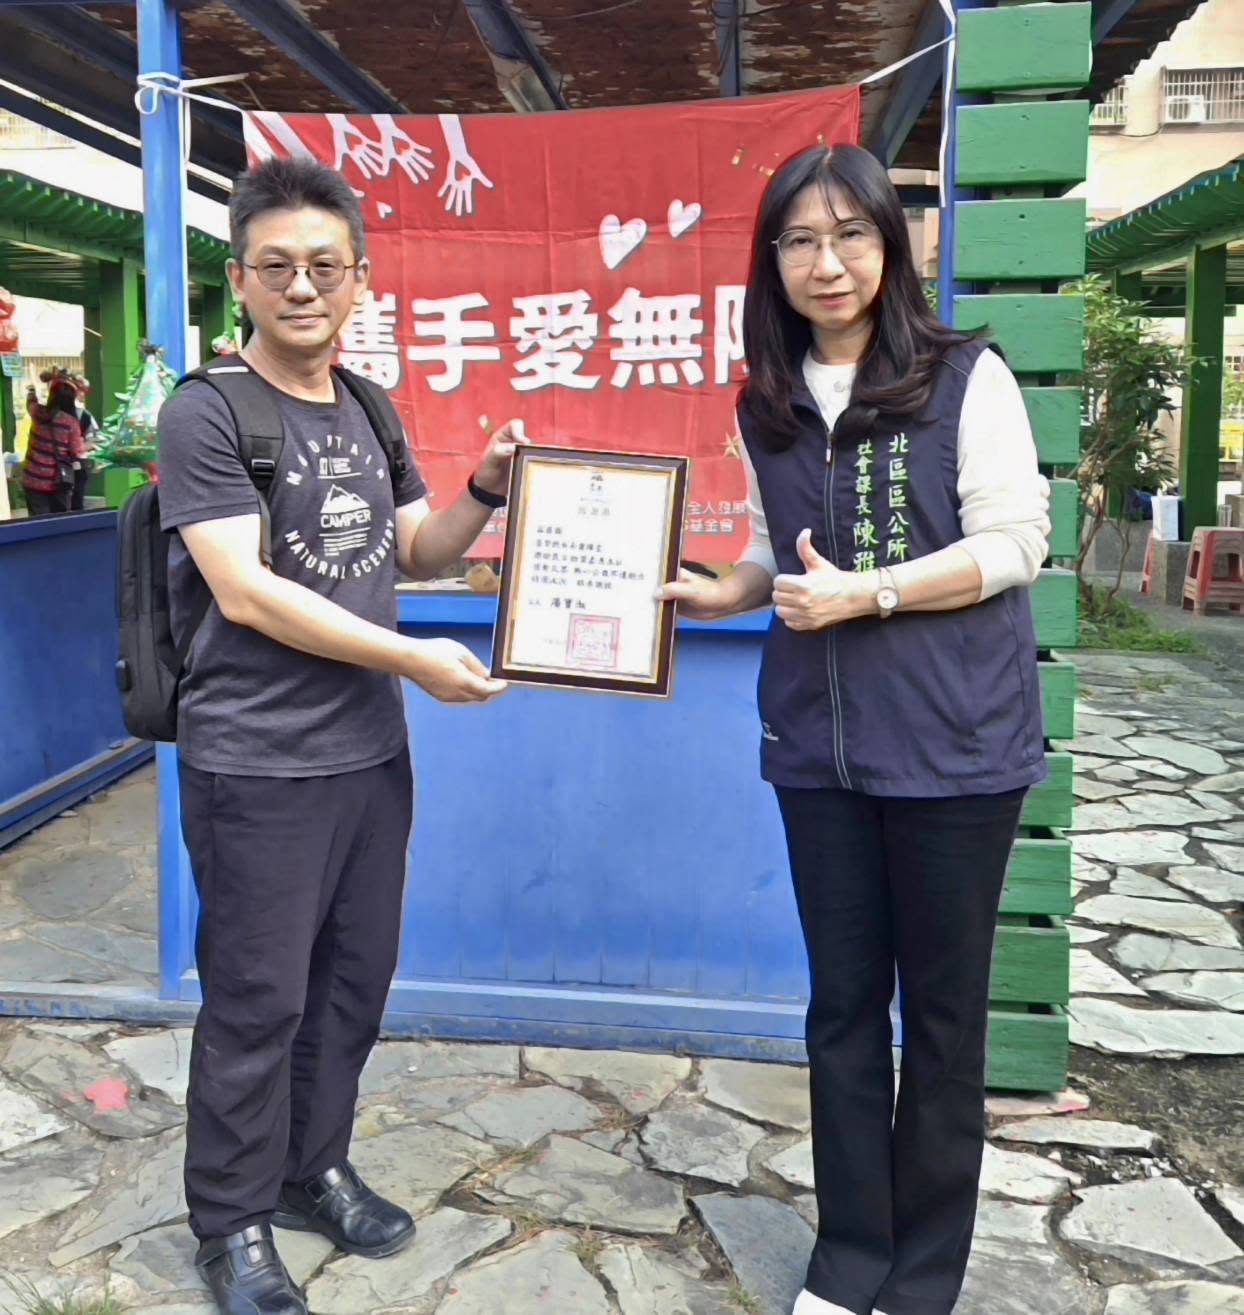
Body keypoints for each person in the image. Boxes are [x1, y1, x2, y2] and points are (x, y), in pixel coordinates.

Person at [661, 144, 1050, 1315]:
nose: (824, 263)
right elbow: (776, 548)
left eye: (849, 235)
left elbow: (1013, 543)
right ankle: (847, 1258)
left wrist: (868, 594)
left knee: (940, 1021)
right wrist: (724, 592)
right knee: (838, 1011)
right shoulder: (766, 401)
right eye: (797, 240)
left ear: (891, 244)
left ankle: (920, 1277)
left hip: (954, 746)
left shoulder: (964, 375)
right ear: (769, 260)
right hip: (818, 750)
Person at [157, 156, 516, 1315]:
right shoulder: (207, 411)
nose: (302, 286)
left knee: (351, 985)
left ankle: (311, 1167)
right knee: (256, 1000)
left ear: (360, 277)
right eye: (277, 267)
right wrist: (410, 658)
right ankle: (231, 1220)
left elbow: (416, 551)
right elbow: (245, 591)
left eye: (324, 265)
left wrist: (482, 489)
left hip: (368, 752)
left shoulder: (365, 404)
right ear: (239, 281)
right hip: (255, 761)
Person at [23, 373, 84, 516]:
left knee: (37, 523)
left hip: (32, 480)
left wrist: (32, 389)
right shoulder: (71, 423)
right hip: (58, 481)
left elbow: (30, 402)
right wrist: (88, 444)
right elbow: (76, 451)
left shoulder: (37, 412)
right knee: (59, 522)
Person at [70, 374, 97, 511]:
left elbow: (93, 440)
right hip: (71, 465)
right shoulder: (83, 414)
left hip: (77, 465)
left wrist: (78, 448)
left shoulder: (84, 415)